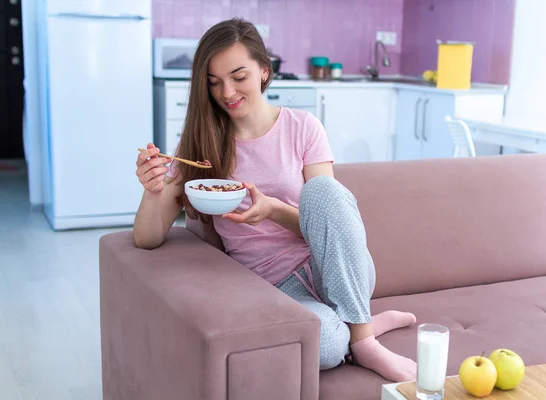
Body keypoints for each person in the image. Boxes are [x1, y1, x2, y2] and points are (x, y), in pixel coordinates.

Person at [133, 18, 417, 382]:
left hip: (336, 268)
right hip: (276, 288)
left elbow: (326, 216)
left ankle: (363, 339)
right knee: (326, 346)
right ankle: (364, 321)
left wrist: (273, 211)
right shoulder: (199, 149)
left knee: (324, 190)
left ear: (264, 72)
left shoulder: (303, 127)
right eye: (214, 82)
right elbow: (147, 238)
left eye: (239, 77)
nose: (227, 92)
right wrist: (152, 189)